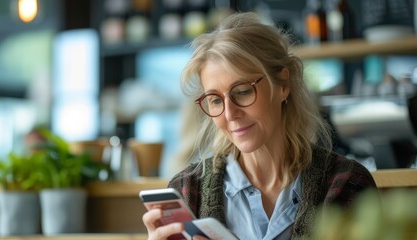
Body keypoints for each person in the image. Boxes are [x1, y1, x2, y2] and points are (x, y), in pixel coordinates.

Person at [142, 12, 377, 240]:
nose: (230, 114)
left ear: (283, 84)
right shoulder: (187, 191)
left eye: (243, 92)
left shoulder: (347, 183)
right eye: (215, 100)